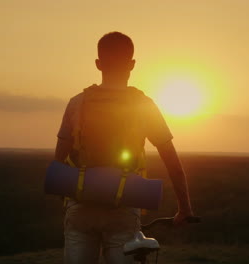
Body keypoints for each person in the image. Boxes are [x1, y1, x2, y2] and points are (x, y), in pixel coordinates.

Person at [55, 31, 194, 264]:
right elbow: (172, 162)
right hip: (124, 207)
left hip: (81, 207)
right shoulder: (144, 106)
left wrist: (75, 195)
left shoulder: (77, 103)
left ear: (98, 64)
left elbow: (58, 163)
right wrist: (184, 208)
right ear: (132, 64)